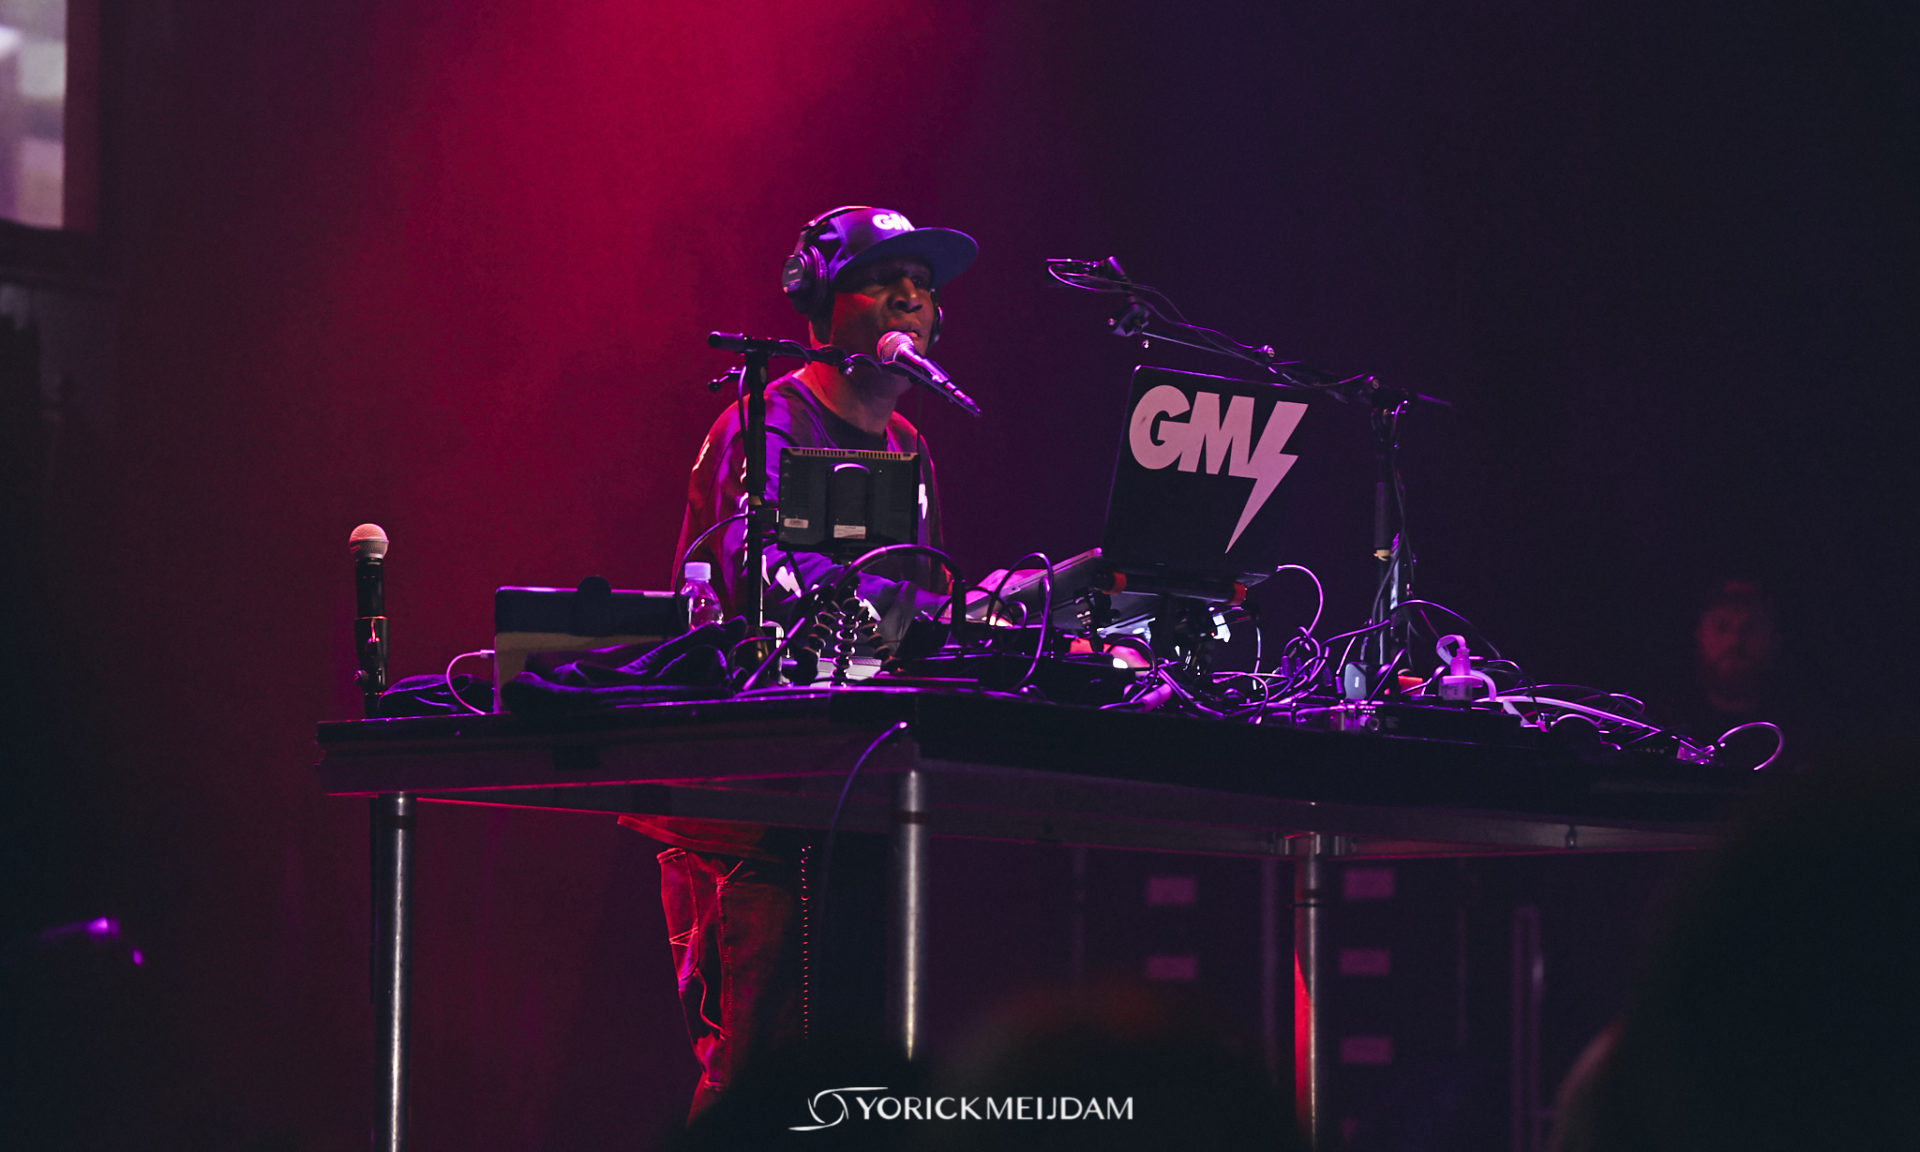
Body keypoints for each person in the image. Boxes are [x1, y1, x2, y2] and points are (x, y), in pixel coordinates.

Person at [620, 206, 978, 1118]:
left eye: (924, 285)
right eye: (884, 280)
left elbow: (923, 598)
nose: (911, 297)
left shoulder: (910, 447)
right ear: (820, 301)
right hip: (743, 804)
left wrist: (991, 612)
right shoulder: (766, 418)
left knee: (848, 1072)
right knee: (756, 1072)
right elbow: (766, 577)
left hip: (849, 791)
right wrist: (912, 611)